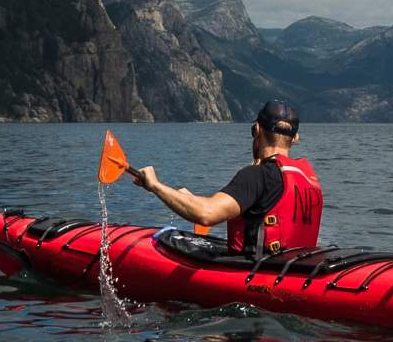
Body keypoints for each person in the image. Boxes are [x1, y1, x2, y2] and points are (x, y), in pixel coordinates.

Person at [129, 100, 323, 256]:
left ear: (257, 130)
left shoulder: (256, 175)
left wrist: (155, 185)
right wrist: (190, 199)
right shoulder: (308, 178)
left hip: (260, 273)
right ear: (295, 138)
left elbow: (206, 215)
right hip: (296, 268)